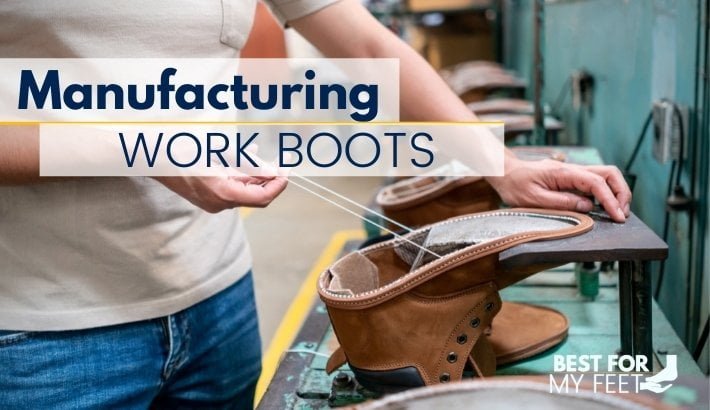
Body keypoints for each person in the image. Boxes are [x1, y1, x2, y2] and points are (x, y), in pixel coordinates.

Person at [0, 0, 631, 409]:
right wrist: (137, 148)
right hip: (49, 338)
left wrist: (502, 167)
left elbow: (363, 44)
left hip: (216, 307)